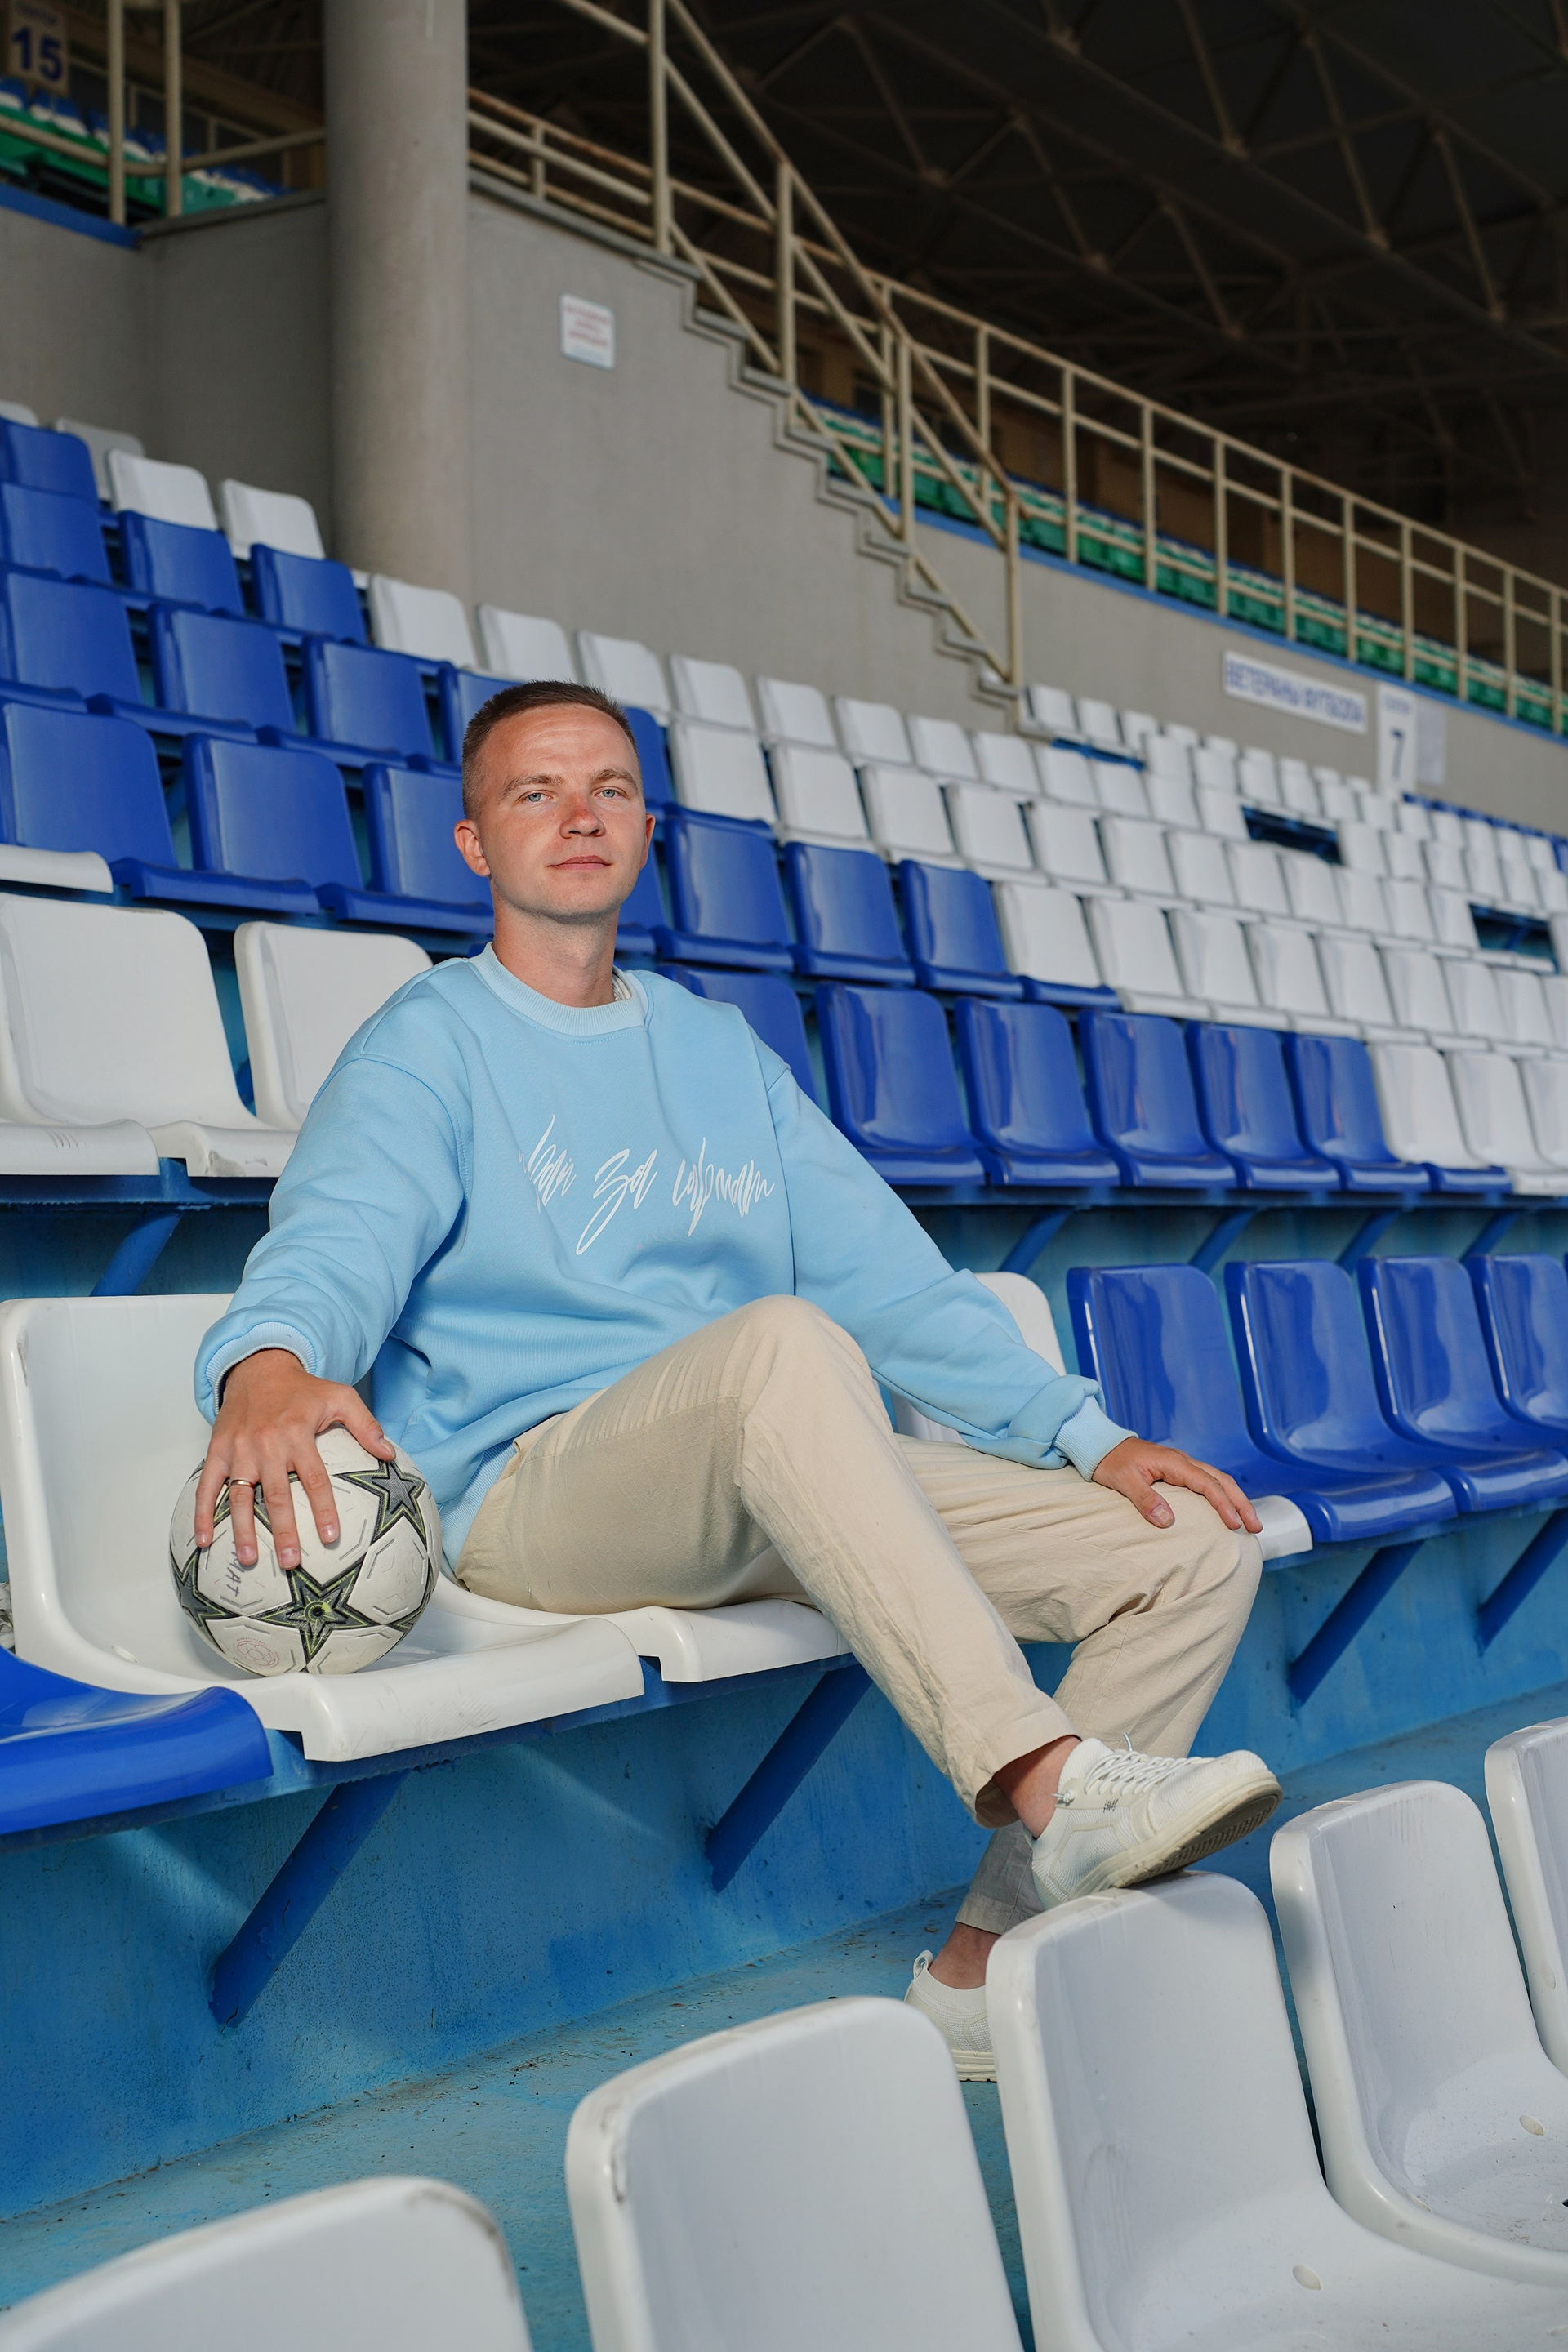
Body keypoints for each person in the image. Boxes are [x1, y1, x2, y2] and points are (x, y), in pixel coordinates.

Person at [193, 679, 1279, 2082]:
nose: (579, 815)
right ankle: (1046, 1779)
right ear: (475, 842)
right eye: (535, 792)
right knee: (783, 1345)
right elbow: (334, 1239)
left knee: (1187, 1548)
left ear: (647, 827)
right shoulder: (430, 1040)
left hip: (769, 1467)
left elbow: (889, 1278)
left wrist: (1088, 1435)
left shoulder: (717, 1051)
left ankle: (986, 1973)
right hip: (537, 1494)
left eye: (610, 789)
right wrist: (270, 1362)